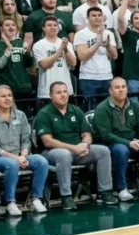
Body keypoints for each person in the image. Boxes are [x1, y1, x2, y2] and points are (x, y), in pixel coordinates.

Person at [36, 81, 115, 210]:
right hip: (51, 153)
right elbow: (48, 141)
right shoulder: (44, 113)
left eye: (65, 91)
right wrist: (74, 148)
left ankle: (105, 191)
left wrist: (84, 145)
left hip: (77, 150)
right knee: (64, 154)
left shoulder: (76, 110)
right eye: (58, 92)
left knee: (103, 151)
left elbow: (87, 134)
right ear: (51, 96)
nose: (63, 95)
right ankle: (66, 196)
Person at [92, 77, 139, 201]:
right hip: (110, 144)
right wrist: (129, 143)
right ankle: (121, 188)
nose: (121, 90)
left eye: (123, 87)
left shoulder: (134, 105)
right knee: (121, 150)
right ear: (110, 91)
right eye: (117, 87)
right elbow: (106, 135)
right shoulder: (102, 108)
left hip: (132, 142)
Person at [0, 85, 50, 215]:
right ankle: (10, 202)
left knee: (41, 161)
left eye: (9, 95)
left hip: (19, 156)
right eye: (3, 96)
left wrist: (23, 155)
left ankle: (35, 199)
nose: (7, 99)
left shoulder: (20, 115)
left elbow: (26, 140)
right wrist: (16, 158)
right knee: (11, 164)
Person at [74, 8, 119, 107]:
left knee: (107, 109)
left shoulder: (109, 34)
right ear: (87, 18)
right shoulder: (81, 34)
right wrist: (97, 44)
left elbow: (114, 56)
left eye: (99, 15)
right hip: (88, 78)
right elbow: (82, 57)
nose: (97, 18)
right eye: (94, 15)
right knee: (89, 109)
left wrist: (107, 45)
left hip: (106, 77)